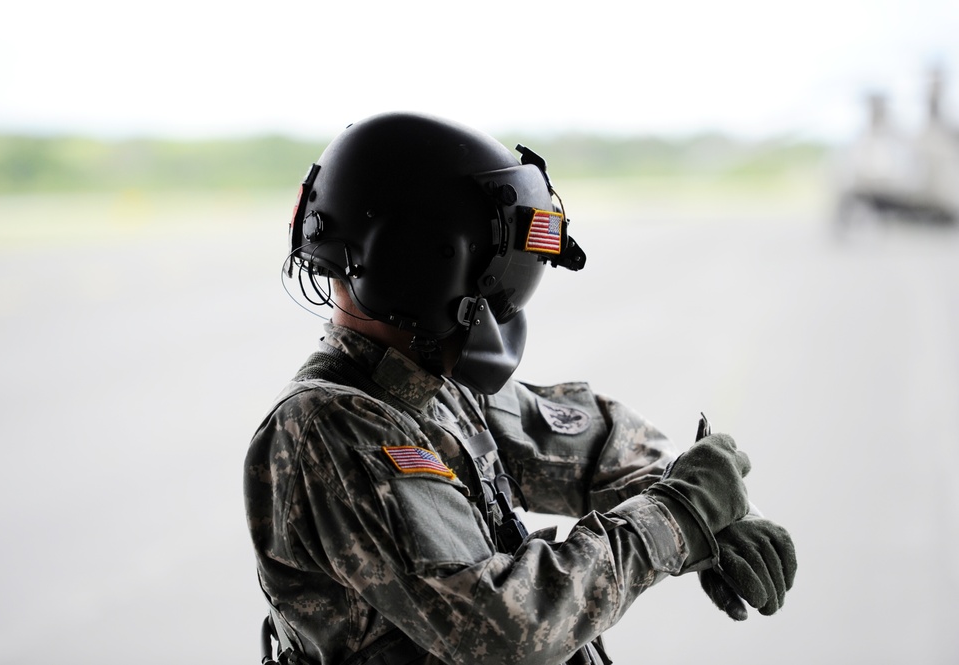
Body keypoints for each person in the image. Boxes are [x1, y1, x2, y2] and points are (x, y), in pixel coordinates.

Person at [244, 112, 796, 665]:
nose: (504, 302)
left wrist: (713, 506)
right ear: (425, 264)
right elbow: (506, 628)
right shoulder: (332, 429)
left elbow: (590, 442)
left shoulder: (427, 383)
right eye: (496, 271)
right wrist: (678, 518)